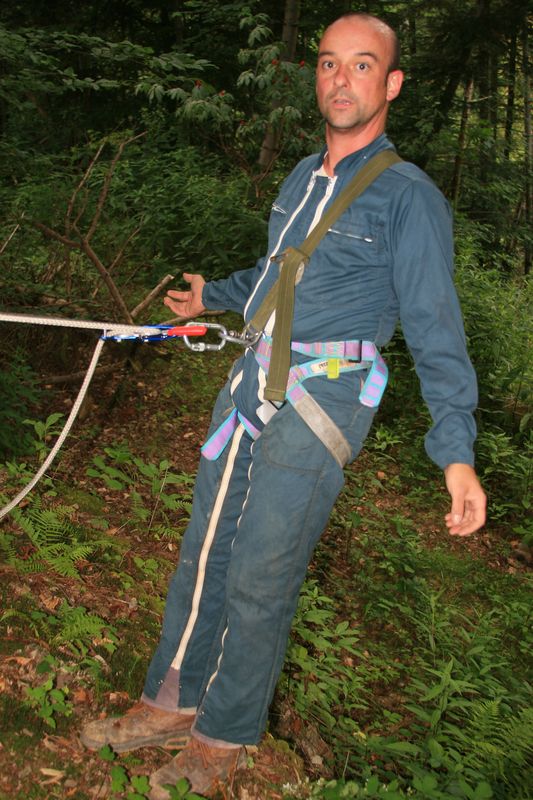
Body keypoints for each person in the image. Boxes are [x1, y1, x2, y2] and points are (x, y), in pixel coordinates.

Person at [80, 12, 486, 799]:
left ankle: (223, 735)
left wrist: (456, 452)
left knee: (263, 567)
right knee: (205, 550)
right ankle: (171, 700)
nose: (341, 78)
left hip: (326, 394)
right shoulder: (302, 175)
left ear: (391, 84)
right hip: (252, 378)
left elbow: (436, 327)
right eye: (328, 63)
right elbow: (279, 275)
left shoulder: (407, 197)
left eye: (361, 65)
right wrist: (215, 294)